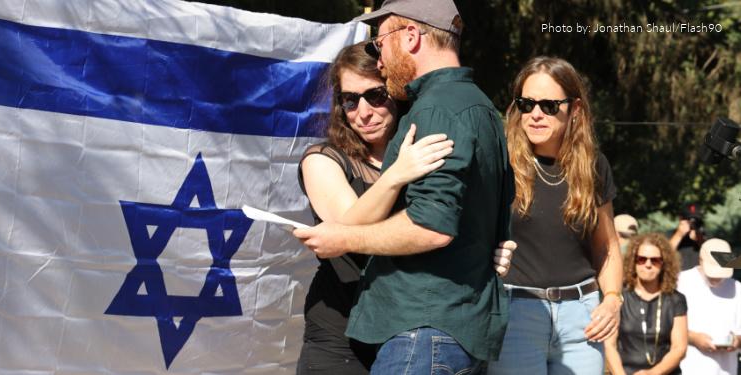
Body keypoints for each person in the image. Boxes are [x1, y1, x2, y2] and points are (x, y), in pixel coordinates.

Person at [294, 0, 516, 373]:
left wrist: (489, 251)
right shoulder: (481, 109)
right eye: (348, 100)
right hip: (375, 330)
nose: (381, 59)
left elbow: (432, 227)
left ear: (411, 36)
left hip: (422, 328)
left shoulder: (433, 112)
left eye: (381, 44)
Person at [487, 56, 623, 375]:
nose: (535, 114)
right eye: (526, 103)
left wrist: (614, 299)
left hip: (584, 321)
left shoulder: (594, 165)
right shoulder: (499, 162)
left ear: (575, 108)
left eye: (548, 105)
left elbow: (607, 246)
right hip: (514, 313)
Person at [605, 233, 687, 375]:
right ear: (633, 261)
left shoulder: (675, 299)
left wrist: (653, 373)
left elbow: (679, 348)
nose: (648, 265)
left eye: (654, 260)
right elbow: (608, 345)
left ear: (663, 263)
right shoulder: (620, 297)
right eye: (642, 259)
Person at [677, 238, 741, 375]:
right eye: (712, 272)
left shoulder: (737, 289)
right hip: (687, 369)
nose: (716, 278)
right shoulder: (681, 283)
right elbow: (664, 326)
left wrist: (737, 341)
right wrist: (693, 338)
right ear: (701, 260)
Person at [667, 203, 708, 271]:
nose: (692, 223)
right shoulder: (671, 235)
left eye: (696, 220)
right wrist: (678, 235)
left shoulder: (707, 236)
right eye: (690, 220)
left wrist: (701, 241)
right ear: (680, 219)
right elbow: (662, 255)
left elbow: (718, 260)